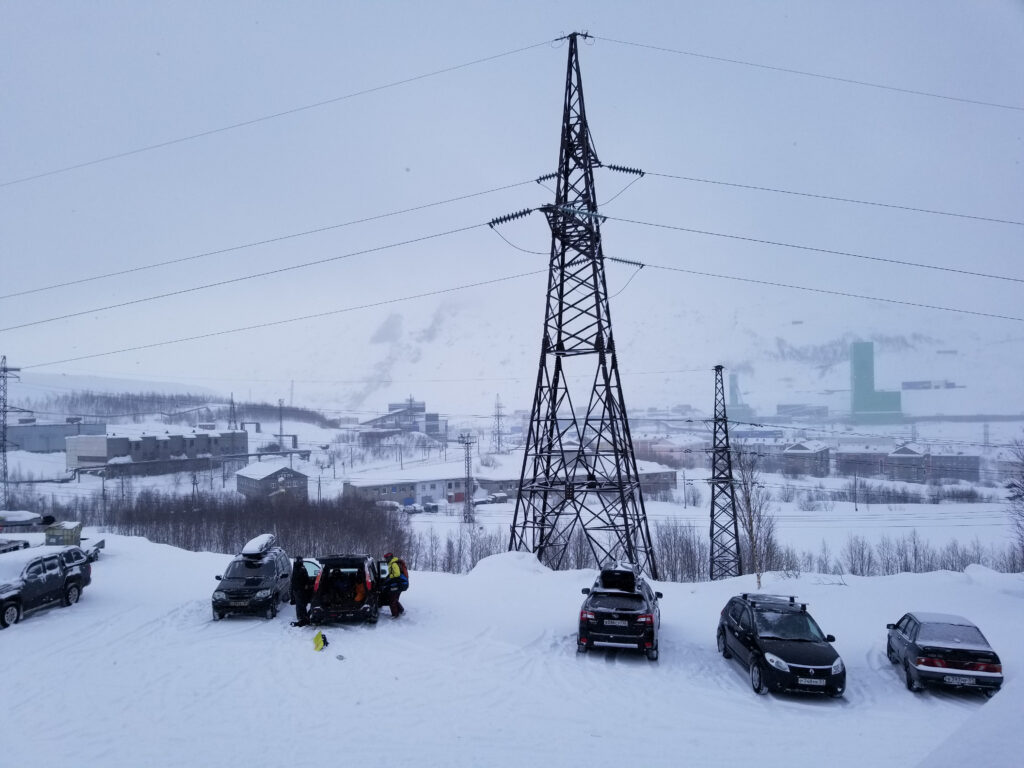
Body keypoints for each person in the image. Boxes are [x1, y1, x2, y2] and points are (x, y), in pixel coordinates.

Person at [383, 551, 405, 618]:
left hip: (398, 584)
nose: (386, 560)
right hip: (398, 584)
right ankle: (401, 610)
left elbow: (397, 574)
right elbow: (392, 574)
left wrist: (390, 577)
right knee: (394, 599)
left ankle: (395, 615)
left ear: (389, 558)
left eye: (386, 558)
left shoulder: (393, 564)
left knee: (392, 600)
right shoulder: (392, 563)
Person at [290, 555, 311, 626]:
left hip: (301, 589)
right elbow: (295, 580)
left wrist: (307, 584)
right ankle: (301, 617)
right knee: (299, 604)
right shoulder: (297, 568)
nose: (301, 561)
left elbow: (305, 578)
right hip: (298, 589)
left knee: (302, 603)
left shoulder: (301, 568)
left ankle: (304, 616)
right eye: (300, 560)